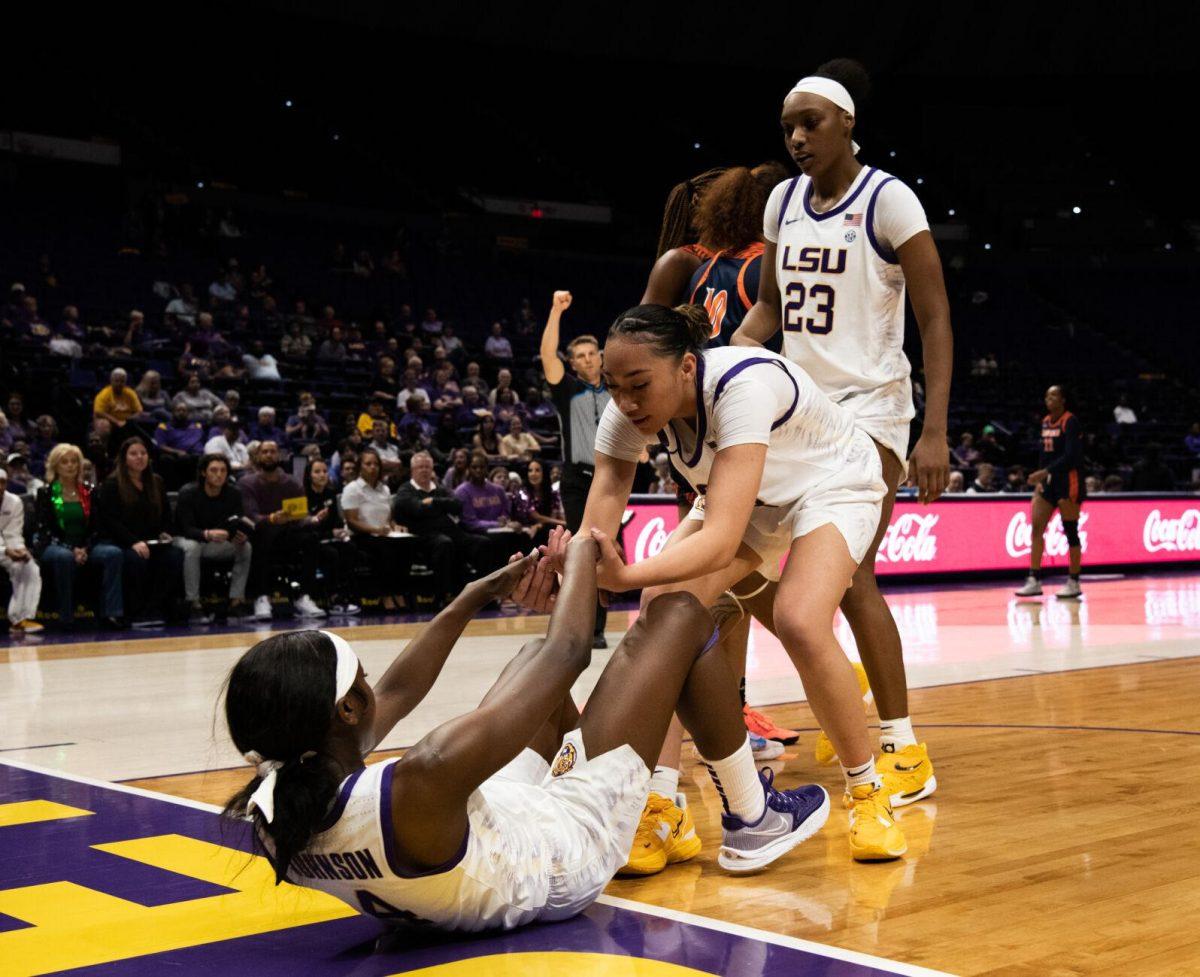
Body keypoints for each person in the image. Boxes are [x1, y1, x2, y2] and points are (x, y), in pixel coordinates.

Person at [220, 532, 828, 933]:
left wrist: (471, 598)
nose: (376, 683)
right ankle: (752, 818)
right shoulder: (425, 774)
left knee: (527, 668)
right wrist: (587, 553)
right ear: (349, 712)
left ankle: (651, 789)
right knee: (678, 617)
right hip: (561, 856)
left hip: (469, 850)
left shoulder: (275, 803)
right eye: (362, 677)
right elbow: (569, 653)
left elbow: (401, 691)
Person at [580, 303, 907, 866]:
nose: (625, 402)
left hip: (832, 481)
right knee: (665, 614)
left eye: (638, 385)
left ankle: (868, 794)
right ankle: (663, 806)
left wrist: (624, 575)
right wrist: (576, 570)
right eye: (613, 387)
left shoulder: (741, 388)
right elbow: (604, 499)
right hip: (756, 497)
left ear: (686, 367)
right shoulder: (625, 413)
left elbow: (722, 539)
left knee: (801, 619)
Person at [729, 59, 952, 811]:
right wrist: (718, 362)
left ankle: (902, 746)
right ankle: (844, 684)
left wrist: (936, 430)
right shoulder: (783, 203)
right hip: (802, 409)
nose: (796, 137)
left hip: (875, 411)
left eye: (810, 123)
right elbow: (770, 312)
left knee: (852, 572)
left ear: (847, 123)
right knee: (733, 557)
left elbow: (935, 319)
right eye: (787, 126)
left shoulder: (890, 201)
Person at [539, 290, 611, 649]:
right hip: (577, 481)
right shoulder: (567, 389)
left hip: (611, 481)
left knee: (605, 552)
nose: (587, 360)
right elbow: (546, 355)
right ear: (572, 363)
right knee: (582, 552)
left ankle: (597, 626)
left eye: (591, 353)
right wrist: (556, 310)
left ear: (600, 356)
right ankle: (583, 627)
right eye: (579, 356)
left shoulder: (618, 388)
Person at [94, 438, 185, 626]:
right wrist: (133, 542)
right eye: (134, 454)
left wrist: (165, 532)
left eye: (143, 453)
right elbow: (110, 521)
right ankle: (136, 611)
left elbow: (166, 515)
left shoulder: (157, 482)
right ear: (124, 458)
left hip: (152, 540)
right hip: (122, 540)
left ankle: (157, 607)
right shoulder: (112, 484)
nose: (139, 458)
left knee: (174, 556)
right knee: (136, 559)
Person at [33, 444, 124, 629]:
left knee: (113, 553)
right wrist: (71, 549)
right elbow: (45, 530)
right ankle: (65, 616)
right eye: (64, 462)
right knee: (64, 557)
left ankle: (112, 614)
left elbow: (97, 528)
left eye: (74, 461)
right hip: (55, 545)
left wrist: (85, 549)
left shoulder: (88, 491)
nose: (70, 466)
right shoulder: (48, 493)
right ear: (55, 466)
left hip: (85, 545)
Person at [238, 440, 326, 620]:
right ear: (258, 456)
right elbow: (250, 515)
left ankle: (304, 596)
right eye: (265, 452)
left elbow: (300, 516)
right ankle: (261, 597)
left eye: (273, 451)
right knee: (265, 533)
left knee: (311, 538)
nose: (269, 455)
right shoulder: (247, 483)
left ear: (279, 455)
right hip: (260, 534)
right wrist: (271, 518)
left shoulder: (292, 483)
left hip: (288, 534)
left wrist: (313, 519)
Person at [1016, 386, 1085, 599]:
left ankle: (1074, 580)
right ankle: (1034, 579)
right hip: (1047, 484)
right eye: (1046, 395)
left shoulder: (1070, 421)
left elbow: (1072, 456)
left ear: (1063, 399)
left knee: (1070, 530)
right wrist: (1041, 478)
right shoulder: (1045, 421)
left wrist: (1044, 472)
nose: (1049, 398)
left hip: (1069, 482)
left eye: (1053, 395)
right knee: (1037, 529)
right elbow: (1043, 455)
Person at [393, 451, 487, 606]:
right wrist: (442, 505)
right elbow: (417, 509)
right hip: (423, 536)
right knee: (444, 544)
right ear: (412, 471)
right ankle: (444, 595)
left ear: (432, 470)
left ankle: (484, 595)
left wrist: (433, 502)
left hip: (452, 532)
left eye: (427, 467)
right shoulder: (405, 490)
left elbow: (458, 505)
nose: (424, 470)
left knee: (482, 543)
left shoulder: (439, 488)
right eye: (420, 467)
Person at [173, 454, 253, 622]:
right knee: (193, 547)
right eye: (214, 470)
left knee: (244, 547)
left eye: (223, 470)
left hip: (214, 543)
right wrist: (207, 534)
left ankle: (236, 601)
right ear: (203, 473)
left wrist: (238, 534)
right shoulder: (188, 492)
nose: (219, 474)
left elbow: (235, 520)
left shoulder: (233, 493)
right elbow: (185, 528)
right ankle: (193, 602)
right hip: (183, 539)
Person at [340, 448, 412, 614]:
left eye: (376, 464)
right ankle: (386, 594)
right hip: (361, 536)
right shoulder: (352, 489)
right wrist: (376, 530)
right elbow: (351, 521)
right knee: (385, 550)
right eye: (368, 464)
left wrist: (395, 526)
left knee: (407, 546)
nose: (373, 467)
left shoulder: (384, 489)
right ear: (360, 467)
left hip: (384, 534)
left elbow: (388, 517)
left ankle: (399, 591)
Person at [303, 458, 360, 618]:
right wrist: (327, 530)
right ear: (309, 476)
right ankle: (333, 597)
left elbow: (336, 521)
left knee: (350, 547)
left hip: (331, 538)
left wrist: (341, 531)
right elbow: (303, 526)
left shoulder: (331, 494)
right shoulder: (304, 496)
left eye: (324, 471)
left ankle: (347, 595)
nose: (322, 475)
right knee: (331, 554)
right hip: (313, 541)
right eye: (317, 472)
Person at [0, 466, 43, 633]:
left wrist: (20, 550)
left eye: (2, 483)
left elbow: (13, 533)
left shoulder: (15, 501)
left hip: (8, 547)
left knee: (29, 567)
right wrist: (5, 551)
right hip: (2, 549)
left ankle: (21, 619)